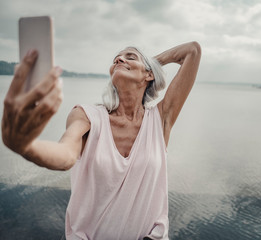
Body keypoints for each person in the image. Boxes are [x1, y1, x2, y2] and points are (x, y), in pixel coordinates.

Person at [1, 41, 201, 239]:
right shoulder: (87, 116)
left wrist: (151, 63)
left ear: (149, 75)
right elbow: (66, 155)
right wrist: (26, 146)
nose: (120, 59)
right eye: (116, 60)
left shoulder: (160, 119)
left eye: (130, 56)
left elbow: (192, 51)